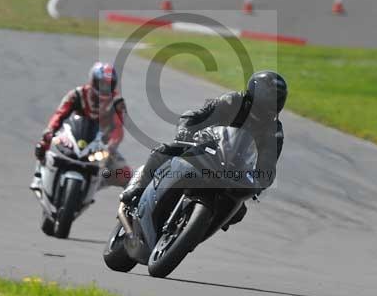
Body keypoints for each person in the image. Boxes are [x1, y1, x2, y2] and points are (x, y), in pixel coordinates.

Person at [119, 71, 287, 230]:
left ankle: (195, 228)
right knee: (163, 151)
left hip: (234, 170)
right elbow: (198, 115)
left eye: (277, 99)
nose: (272, 103)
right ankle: (138, 188)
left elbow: (269, 162)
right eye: (269, 97)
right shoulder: (233, 101)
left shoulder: (274, 131)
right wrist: (187, 129)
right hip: (207, 147)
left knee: (238, 212)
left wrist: (261, 181)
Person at [30, 62, 130, 190]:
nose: (105, 88)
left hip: (100, 146)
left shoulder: (117, 102)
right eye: (101, 84)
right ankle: (38, 177)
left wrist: (110, 146)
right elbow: (59, 115)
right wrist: (50, 131)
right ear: (93, 81)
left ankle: (96, 187)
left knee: (127, 174)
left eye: (108, 85)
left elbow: (118, 128)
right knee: (44, 142)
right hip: (71, 137)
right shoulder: (77, 94)